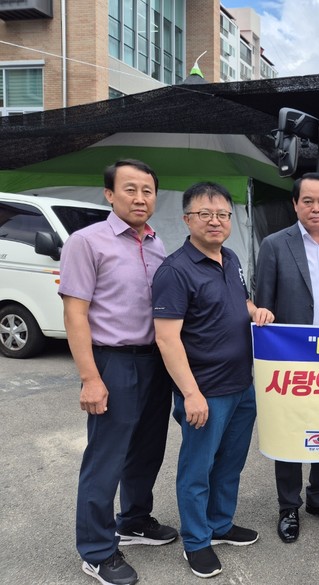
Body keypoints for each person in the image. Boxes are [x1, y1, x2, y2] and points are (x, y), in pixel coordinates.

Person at [60, 159, 177, 585]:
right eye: (130, 189)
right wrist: (91, 378)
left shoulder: (158, 244)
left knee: (147, 449)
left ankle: (134, 520)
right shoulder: (86, 242)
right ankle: (96, 550)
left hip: (154, 360)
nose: (140, 198)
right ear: (109, 194)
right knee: (105, 458)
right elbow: (75, 314)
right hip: (113, 360)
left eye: (147, 190)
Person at [152, 182, 274, 578]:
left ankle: (220, 524)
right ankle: (196, 541)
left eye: (222, 214)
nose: (216, 221)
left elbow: (240, 300)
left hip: (241, 385)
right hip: (205, 391)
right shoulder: (175, 271)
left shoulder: (231, 257)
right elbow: (167, 338)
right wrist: (190, 394)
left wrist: (256, 311)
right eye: (205, 214)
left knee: (230, 463)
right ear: (187, 219)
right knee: (197, 469)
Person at [254, 172, 319, 543]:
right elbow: (264, 305)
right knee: (291, 429)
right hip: (291, 357)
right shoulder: (274, 244)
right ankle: (288, 506)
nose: (316, 208)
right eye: (308, 201)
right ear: (295, 204)